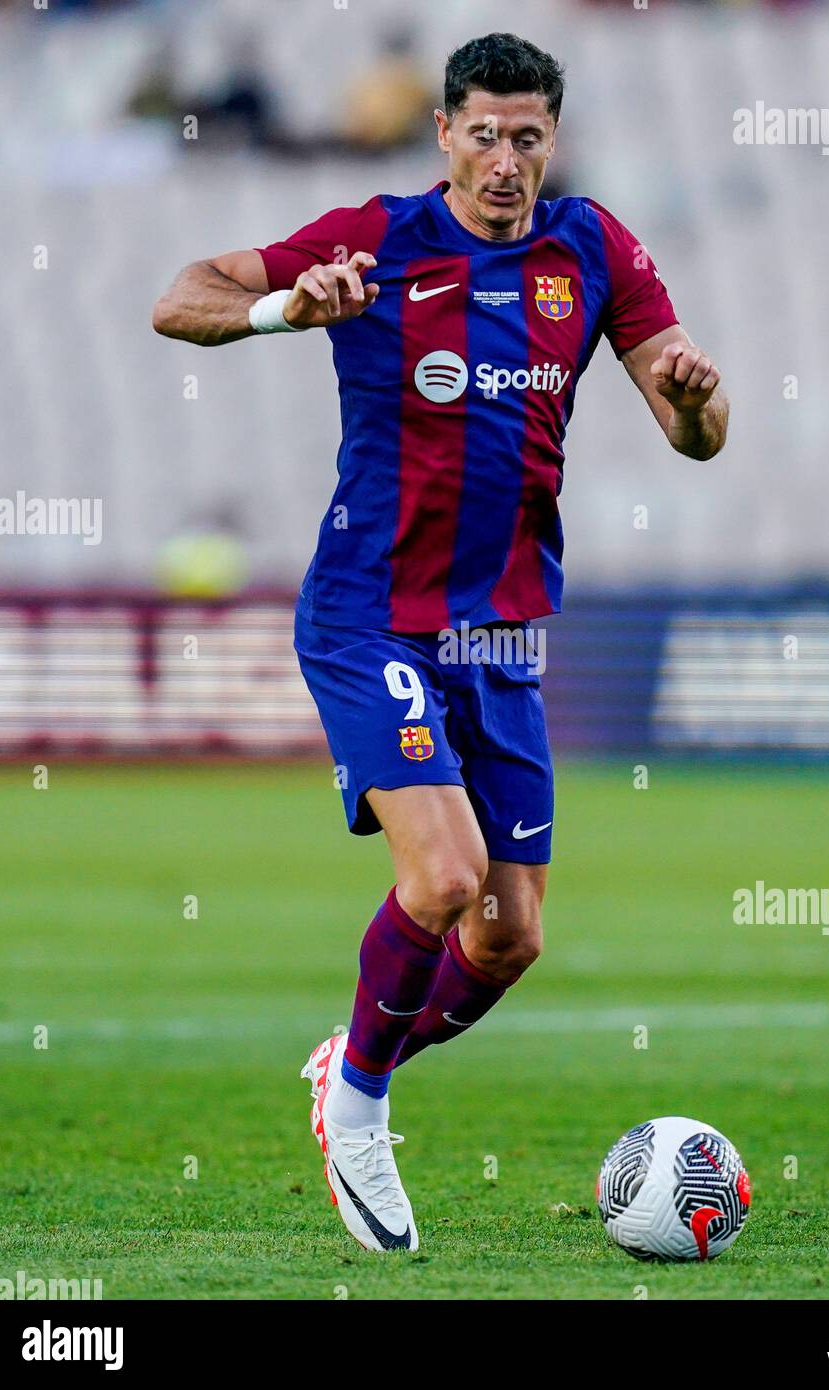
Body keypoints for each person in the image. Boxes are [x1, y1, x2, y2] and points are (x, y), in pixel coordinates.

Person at [152, 31, 728, 1252]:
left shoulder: (591, 248)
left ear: (550, 140)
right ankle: (360, 1113)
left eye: (527, 137)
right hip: (370, 611)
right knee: (446, 877)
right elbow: (177, 297)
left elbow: (697, 434)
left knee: (508, 935)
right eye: (483, 134)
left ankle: (349, 1060)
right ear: (443, 134)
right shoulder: (378, 237)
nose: (504, 159)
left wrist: (691, 402)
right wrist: (285, 307)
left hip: (499, 633)